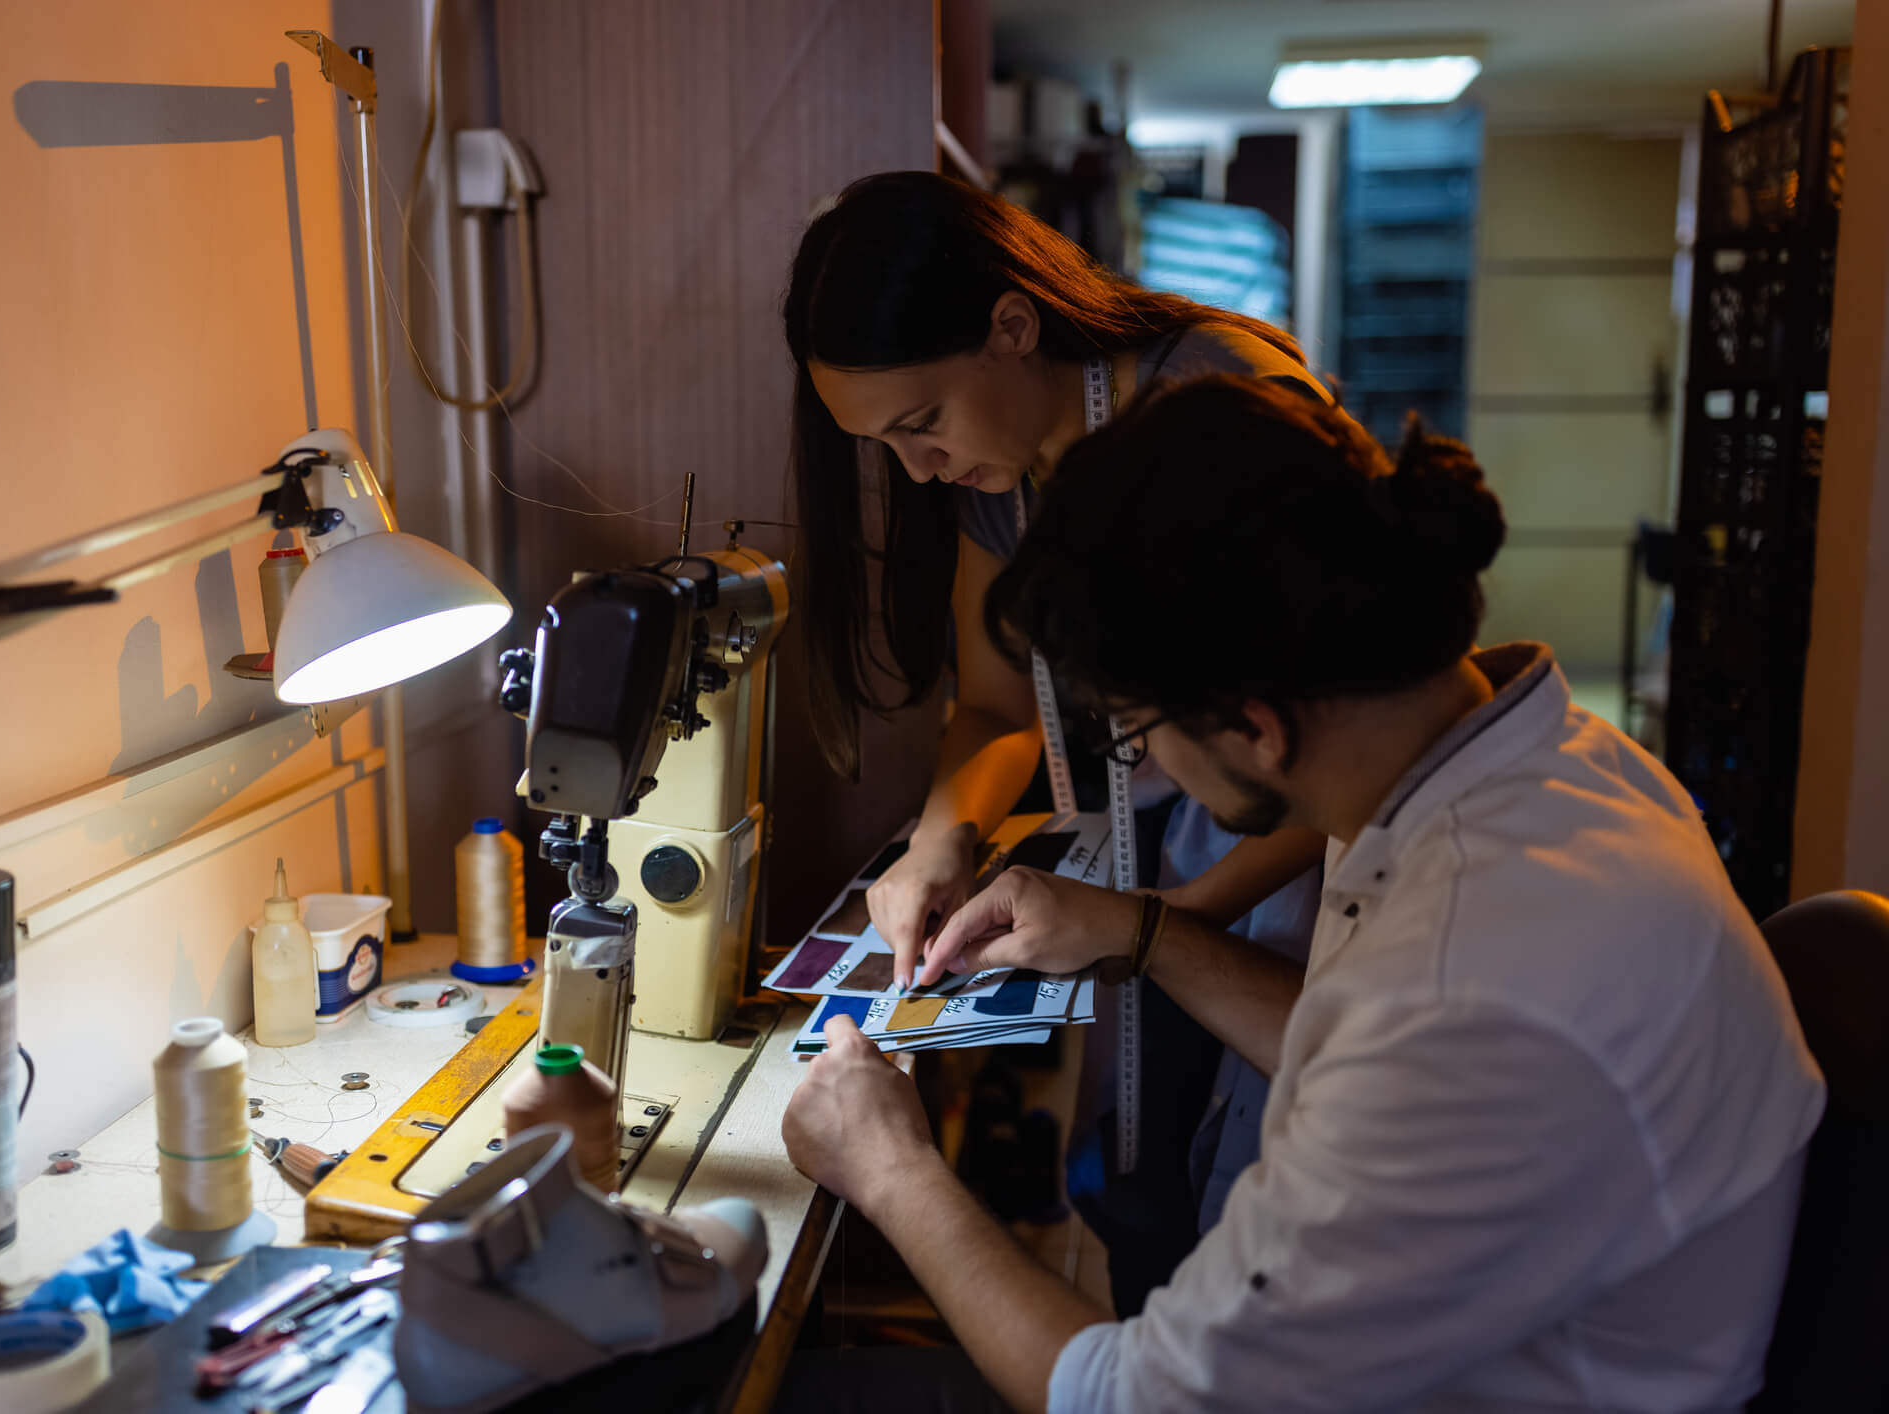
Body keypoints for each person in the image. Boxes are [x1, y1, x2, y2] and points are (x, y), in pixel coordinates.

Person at [780, 375, 1824, 1413]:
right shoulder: (1550, 767)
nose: (1152, 761)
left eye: (1140, 737)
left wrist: (889, 1166)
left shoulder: (1470, 987)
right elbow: (1357, 1049)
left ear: (1253, 725)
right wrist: (1141, 931)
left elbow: (1130, 1400)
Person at [786, 172, 1328, 1296]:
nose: (915, 471)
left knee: (1257, 1217)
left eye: (921, 424)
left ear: (1013, 326)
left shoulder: (1218, 406)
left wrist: (1157, 926)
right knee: (1137, 1205)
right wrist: (935, 844)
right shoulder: (1002, 473)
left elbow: (1339, 762)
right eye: (883, 445)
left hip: (1288, 878)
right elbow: (992, 707)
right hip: (1160, 876)